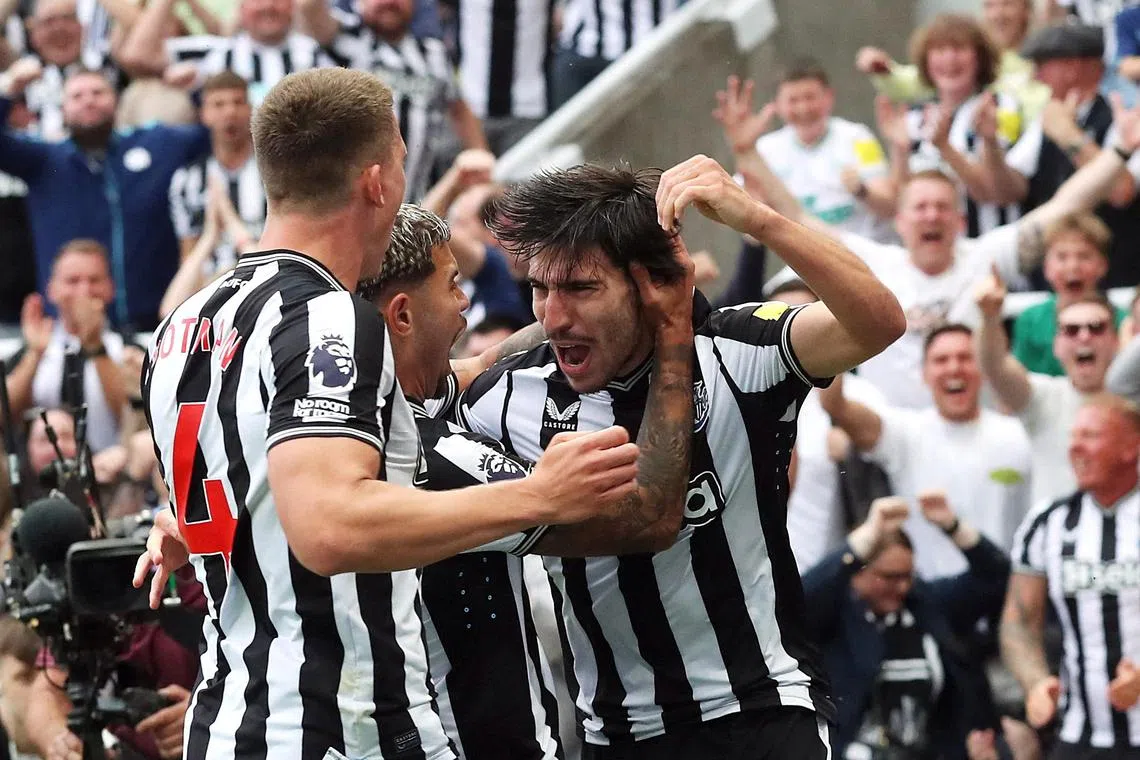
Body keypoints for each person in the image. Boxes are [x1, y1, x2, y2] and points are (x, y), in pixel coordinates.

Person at [138, 67, 644, 760]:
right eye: (404, 163)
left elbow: (246, 477)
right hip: (337, 729)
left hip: (227, 724)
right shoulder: (328, 318)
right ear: (376, 182)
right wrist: (537, 495)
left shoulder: (184, 324)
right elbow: (328, 526)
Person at [457, 155, 907, 757]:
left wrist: (758, 220)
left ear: (651, 283)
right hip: (615, 735)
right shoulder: (504, 396)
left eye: (581, 288)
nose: (552, 315)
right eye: (539, 288)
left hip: (763, 713)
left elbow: (879, 321)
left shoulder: (741, 351)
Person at [802, 494, 1012, 760]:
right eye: (890, 577)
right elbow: (796, 604)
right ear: (858, 571)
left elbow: (996, 578)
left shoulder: (925, 604)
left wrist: (953, 527)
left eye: (907, 576)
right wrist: (862, 541)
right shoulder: (832, 614)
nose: (902, 587)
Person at [819, 324, 1033, 579]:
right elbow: (834, 404)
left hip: (1005, 592)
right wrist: (843, 322)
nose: (954, 368)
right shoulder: (905, 432)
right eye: (941, 360)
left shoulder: (1018, 433)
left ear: (984, 369)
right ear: (924, 374)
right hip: (929, 598)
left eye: (966, 358)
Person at [1002, 394, 1140, 759]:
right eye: (1072, 436)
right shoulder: (1049, 522)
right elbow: (1019, 622)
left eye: (1091, 435)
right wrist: (1035, 682)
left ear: (1131, 447)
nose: (1075, 447)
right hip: (1080, 735)